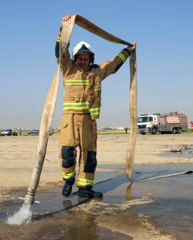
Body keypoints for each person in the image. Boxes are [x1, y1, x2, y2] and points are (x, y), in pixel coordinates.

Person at [56, 15, 136, 199]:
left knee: (89, 156)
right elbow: (61, 50)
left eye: (86, 58)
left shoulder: (97, 72)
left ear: (90, 59)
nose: (83, 61)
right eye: (80, 58)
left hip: (88, 121)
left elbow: (114, 65)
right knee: (67, 153)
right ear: (75, 59)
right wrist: (64, 29)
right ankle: (68, 181)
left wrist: (128, 50)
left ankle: (84, 188)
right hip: (69, 119)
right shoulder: (68, 69)